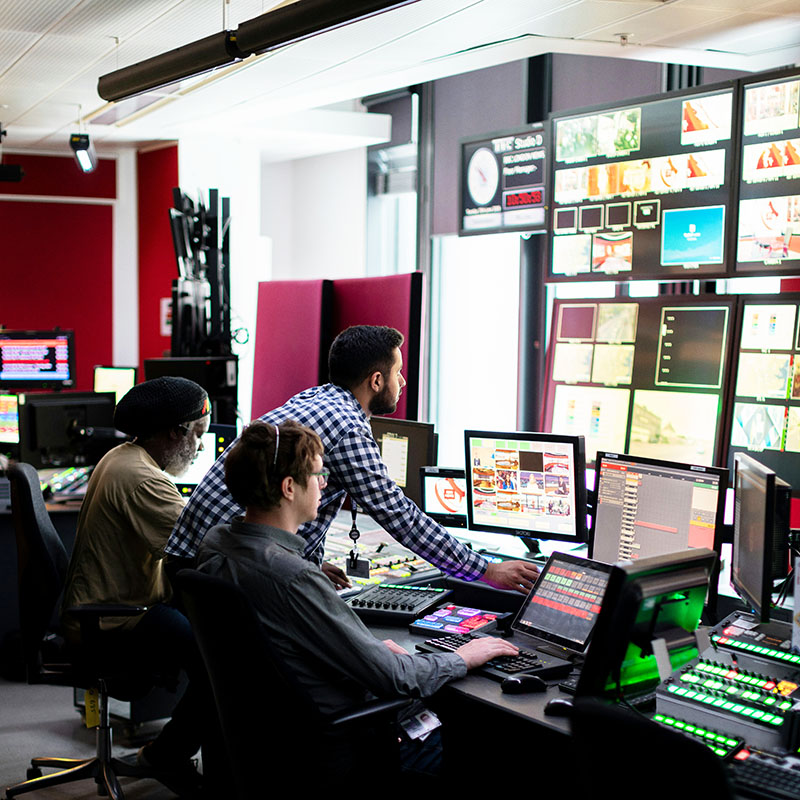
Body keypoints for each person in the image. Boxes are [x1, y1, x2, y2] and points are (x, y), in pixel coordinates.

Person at [194, 420, 518, 773]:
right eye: (318, 473)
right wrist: (464, 656)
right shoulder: (294, 577)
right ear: (289, 487)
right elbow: (398, 678)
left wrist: (372, 654)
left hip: (271, 741)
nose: (325, 483)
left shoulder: (217, 543)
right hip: (340, 740)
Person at [167, 325, 539, 593]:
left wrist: (309, 567)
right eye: (397, 373)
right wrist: (486, 569)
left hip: (199, 564)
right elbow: (399, 515)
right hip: (232, 573)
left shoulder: (314, 398)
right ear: (376, 381)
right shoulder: (347, 426)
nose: (403, 382)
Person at [61, 376, 213, 793]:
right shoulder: (144, 480)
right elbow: (206, 540)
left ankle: (167, 752)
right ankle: (168, 757)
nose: (199, 446)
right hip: (114, 622)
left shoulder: (123, 457)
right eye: (197, 434)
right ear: (174, 432)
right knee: (222, 663)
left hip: (110, 609)